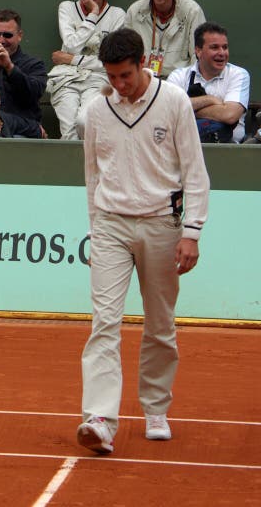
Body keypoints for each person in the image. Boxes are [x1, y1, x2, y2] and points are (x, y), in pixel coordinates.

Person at [77, 28, 209, 455]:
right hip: (112, 226)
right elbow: (92, 174)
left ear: (143, 64)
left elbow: (195, 170)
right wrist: (97, 226)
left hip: (161, 225)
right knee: (104, 322)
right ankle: (99, 418)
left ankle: (155, 409)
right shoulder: (97, 111)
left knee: (159, 324)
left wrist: (192, 231)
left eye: (126, 75)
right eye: (112, 77)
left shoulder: (172, 101)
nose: (119, 84)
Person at [47, 0, 125, 140]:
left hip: (99, 79)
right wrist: (93, 14)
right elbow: (72, 45)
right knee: (69, 134)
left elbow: (110, 62)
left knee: (85, 122)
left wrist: (72, 59)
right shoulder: (66, 7)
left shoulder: (117, 15)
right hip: (66, 77)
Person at [167, 22, 250, 143]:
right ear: (198, 51)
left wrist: (187, 110)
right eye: (214, 47)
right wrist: (210, 100)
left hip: (229, 151)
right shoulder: (179, 76)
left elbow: (230, 115)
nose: (222, 53)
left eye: (225, 47)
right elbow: (168, 109)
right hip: (184, 147)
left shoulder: (238, 74)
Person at [124, 0, 206, 79]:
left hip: (179, 80)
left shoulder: (192, 11)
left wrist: (191, 82)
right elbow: (126, 51)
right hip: (144, 79)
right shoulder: (134, 11)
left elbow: (197, 54)